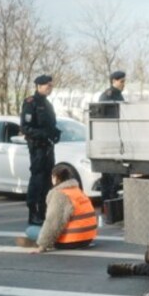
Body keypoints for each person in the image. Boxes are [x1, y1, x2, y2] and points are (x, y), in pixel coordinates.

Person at [17, 165, 97, 253]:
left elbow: (53, 222)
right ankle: (39, 241)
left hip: (71, 241)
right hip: (88, 239)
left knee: (30, 230)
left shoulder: (60, 194)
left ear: (55, 178)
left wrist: (42, 246)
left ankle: (38, 243)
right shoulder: (77, 191)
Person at [21, 74, 61, 225]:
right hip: (37, 147)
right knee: (37, 180)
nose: (50, 88)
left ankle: (44, 213)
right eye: (47, 86)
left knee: (47, 182)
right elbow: (25, 128)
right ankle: (33, 213)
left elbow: (50, 125)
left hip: (48, 148)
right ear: (39, 86)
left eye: (51, 86)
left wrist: (55, 133)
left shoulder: (48, 104)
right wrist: (43, 134)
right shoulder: (31, 103)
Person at [98, 70, 127, 201]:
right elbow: (103, 119)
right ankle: (107, 205)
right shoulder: (107, 96)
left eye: (124, 82)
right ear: (113, 81)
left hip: (117, 139)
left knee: (115, 180)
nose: (123, 84)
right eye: (121, 81)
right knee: (109, 179)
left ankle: (111, 202)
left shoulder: (119, 95)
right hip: (109, 140)